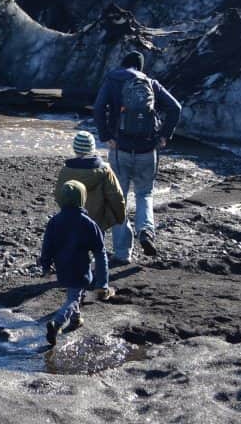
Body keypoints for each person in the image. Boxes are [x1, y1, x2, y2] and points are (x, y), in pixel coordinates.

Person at [93, 50, 181, 264]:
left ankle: (123, 253)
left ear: (123, 64)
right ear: (140, 67)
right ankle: (146, 230)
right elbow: (175, 107)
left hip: (120, 148)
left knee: (118, 198)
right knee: (144, 194)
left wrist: (106, 136)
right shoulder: (150, 83)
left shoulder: (112, 80)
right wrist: (163, 136)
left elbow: (98, 108)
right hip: (147, 150)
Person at [40, 179, 110, 345]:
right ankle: (57, 322)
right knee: (73, 298)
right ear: (82, 199)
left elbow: (47, 246)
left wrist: (45, 266)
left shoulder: (55, 221)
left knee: (75, 293)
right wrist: (103, 282)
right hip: (80, 268)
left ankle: (76, 320)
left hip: (62, 268)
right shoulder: (88, 224)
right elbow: (100, 252)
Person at [55, 130, 126, 233]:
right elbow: (116, 196)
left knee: (75, 247)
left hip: (72, 220)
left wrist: (66, 213)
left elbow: (59, 195)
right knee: (97, 247)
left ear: (75, 148)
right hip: (97, 221)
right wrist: (120, 217)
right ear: (92, 149)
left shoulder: (66, 170)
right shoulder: (104, 170)